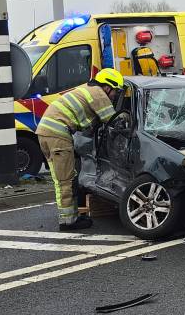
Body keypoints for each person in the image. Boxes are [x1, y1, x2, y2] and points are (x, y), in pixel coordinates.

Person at [37, 68, 125, 230]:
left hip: (45, 133)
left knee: (59, 179)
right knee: (66, 180)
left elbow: (87, 123)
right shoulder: (99, 95)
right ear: (107, 87)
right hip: (58, 135)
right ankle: (69, 222)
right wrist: (126, 117)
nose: (115, 95)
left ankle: (67, 218)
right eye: (115, 91)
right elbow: (114, 122)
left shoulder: (86, 90)